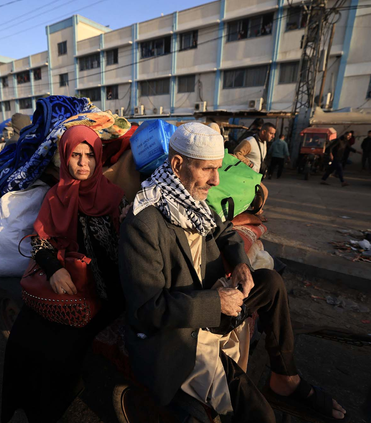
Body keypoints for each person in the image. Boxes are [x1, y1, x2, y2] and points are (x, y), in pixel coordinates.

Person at [119, 122, 347, 423]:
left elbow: (224, 231)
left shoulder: (193, 200)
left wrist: (240, 263)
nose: (216, 180)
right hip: (181, 333)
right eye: (207, 170)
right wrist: (217, 303)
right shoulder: (143, 223)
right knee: (260, 415)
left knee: (270, 281)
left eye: (218, 168)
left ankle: (285, 377)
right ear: (177, 165)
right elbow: (149, 310)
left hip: (212, 305)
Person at [1, 125, 128, 423]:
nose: (83, 163)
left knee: (60, 350)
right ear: (64, 159)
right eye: (75, 155)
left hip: (105, 292)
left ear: (98, 159)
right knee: (21, 338)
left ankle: (51, 408)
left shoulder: (114, 197)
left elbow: (129, 248)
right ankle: (24, 408)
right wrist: (55, 269)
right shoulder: (55, 196)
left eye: (89, 156)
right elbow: (40, 239)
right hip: (66, 283)